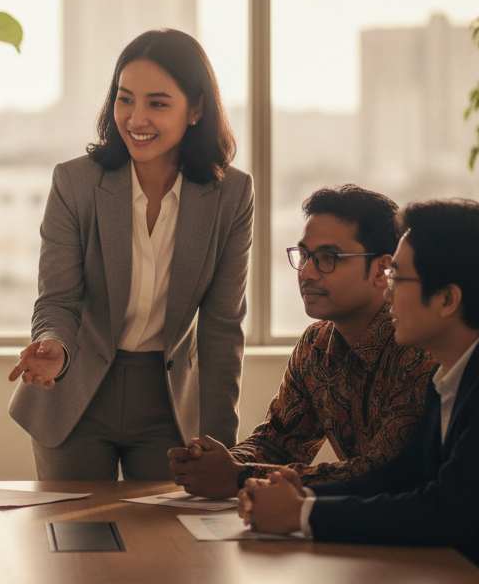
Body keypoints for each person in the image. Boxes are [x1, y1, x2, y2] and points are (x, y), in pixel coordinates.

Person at [239, 199, 479, 584]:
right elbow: (400, 477)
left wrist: (301, 516)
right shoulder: (453, 371)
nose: (388, 289)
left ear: (448, 299)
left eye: (398, 277)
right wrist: (299, 500)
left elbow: (441, 512)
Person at [8, 29, 254, 481]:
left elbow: (222, 327)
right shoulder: (74, 184)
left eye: (158, 103)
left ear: (196, 109)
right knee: (75, 544)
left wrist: (221, 444)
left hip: (169, 401)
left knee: (169, 544)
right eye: (125, 99)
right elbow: (58, 299)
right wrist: (55, 348)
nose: (136, 118)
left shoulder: (232, 195)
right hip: (74, 389)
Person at [168, 185, 435, 496]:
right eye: (305, 255)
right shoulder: (316, 344)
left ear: (382, 270)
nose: (306, 272)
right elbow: (278, 441)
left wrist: (240, 475)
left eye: (327, 257)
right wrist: (214, 462)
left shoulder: (416, 347)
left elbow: (383, 473)